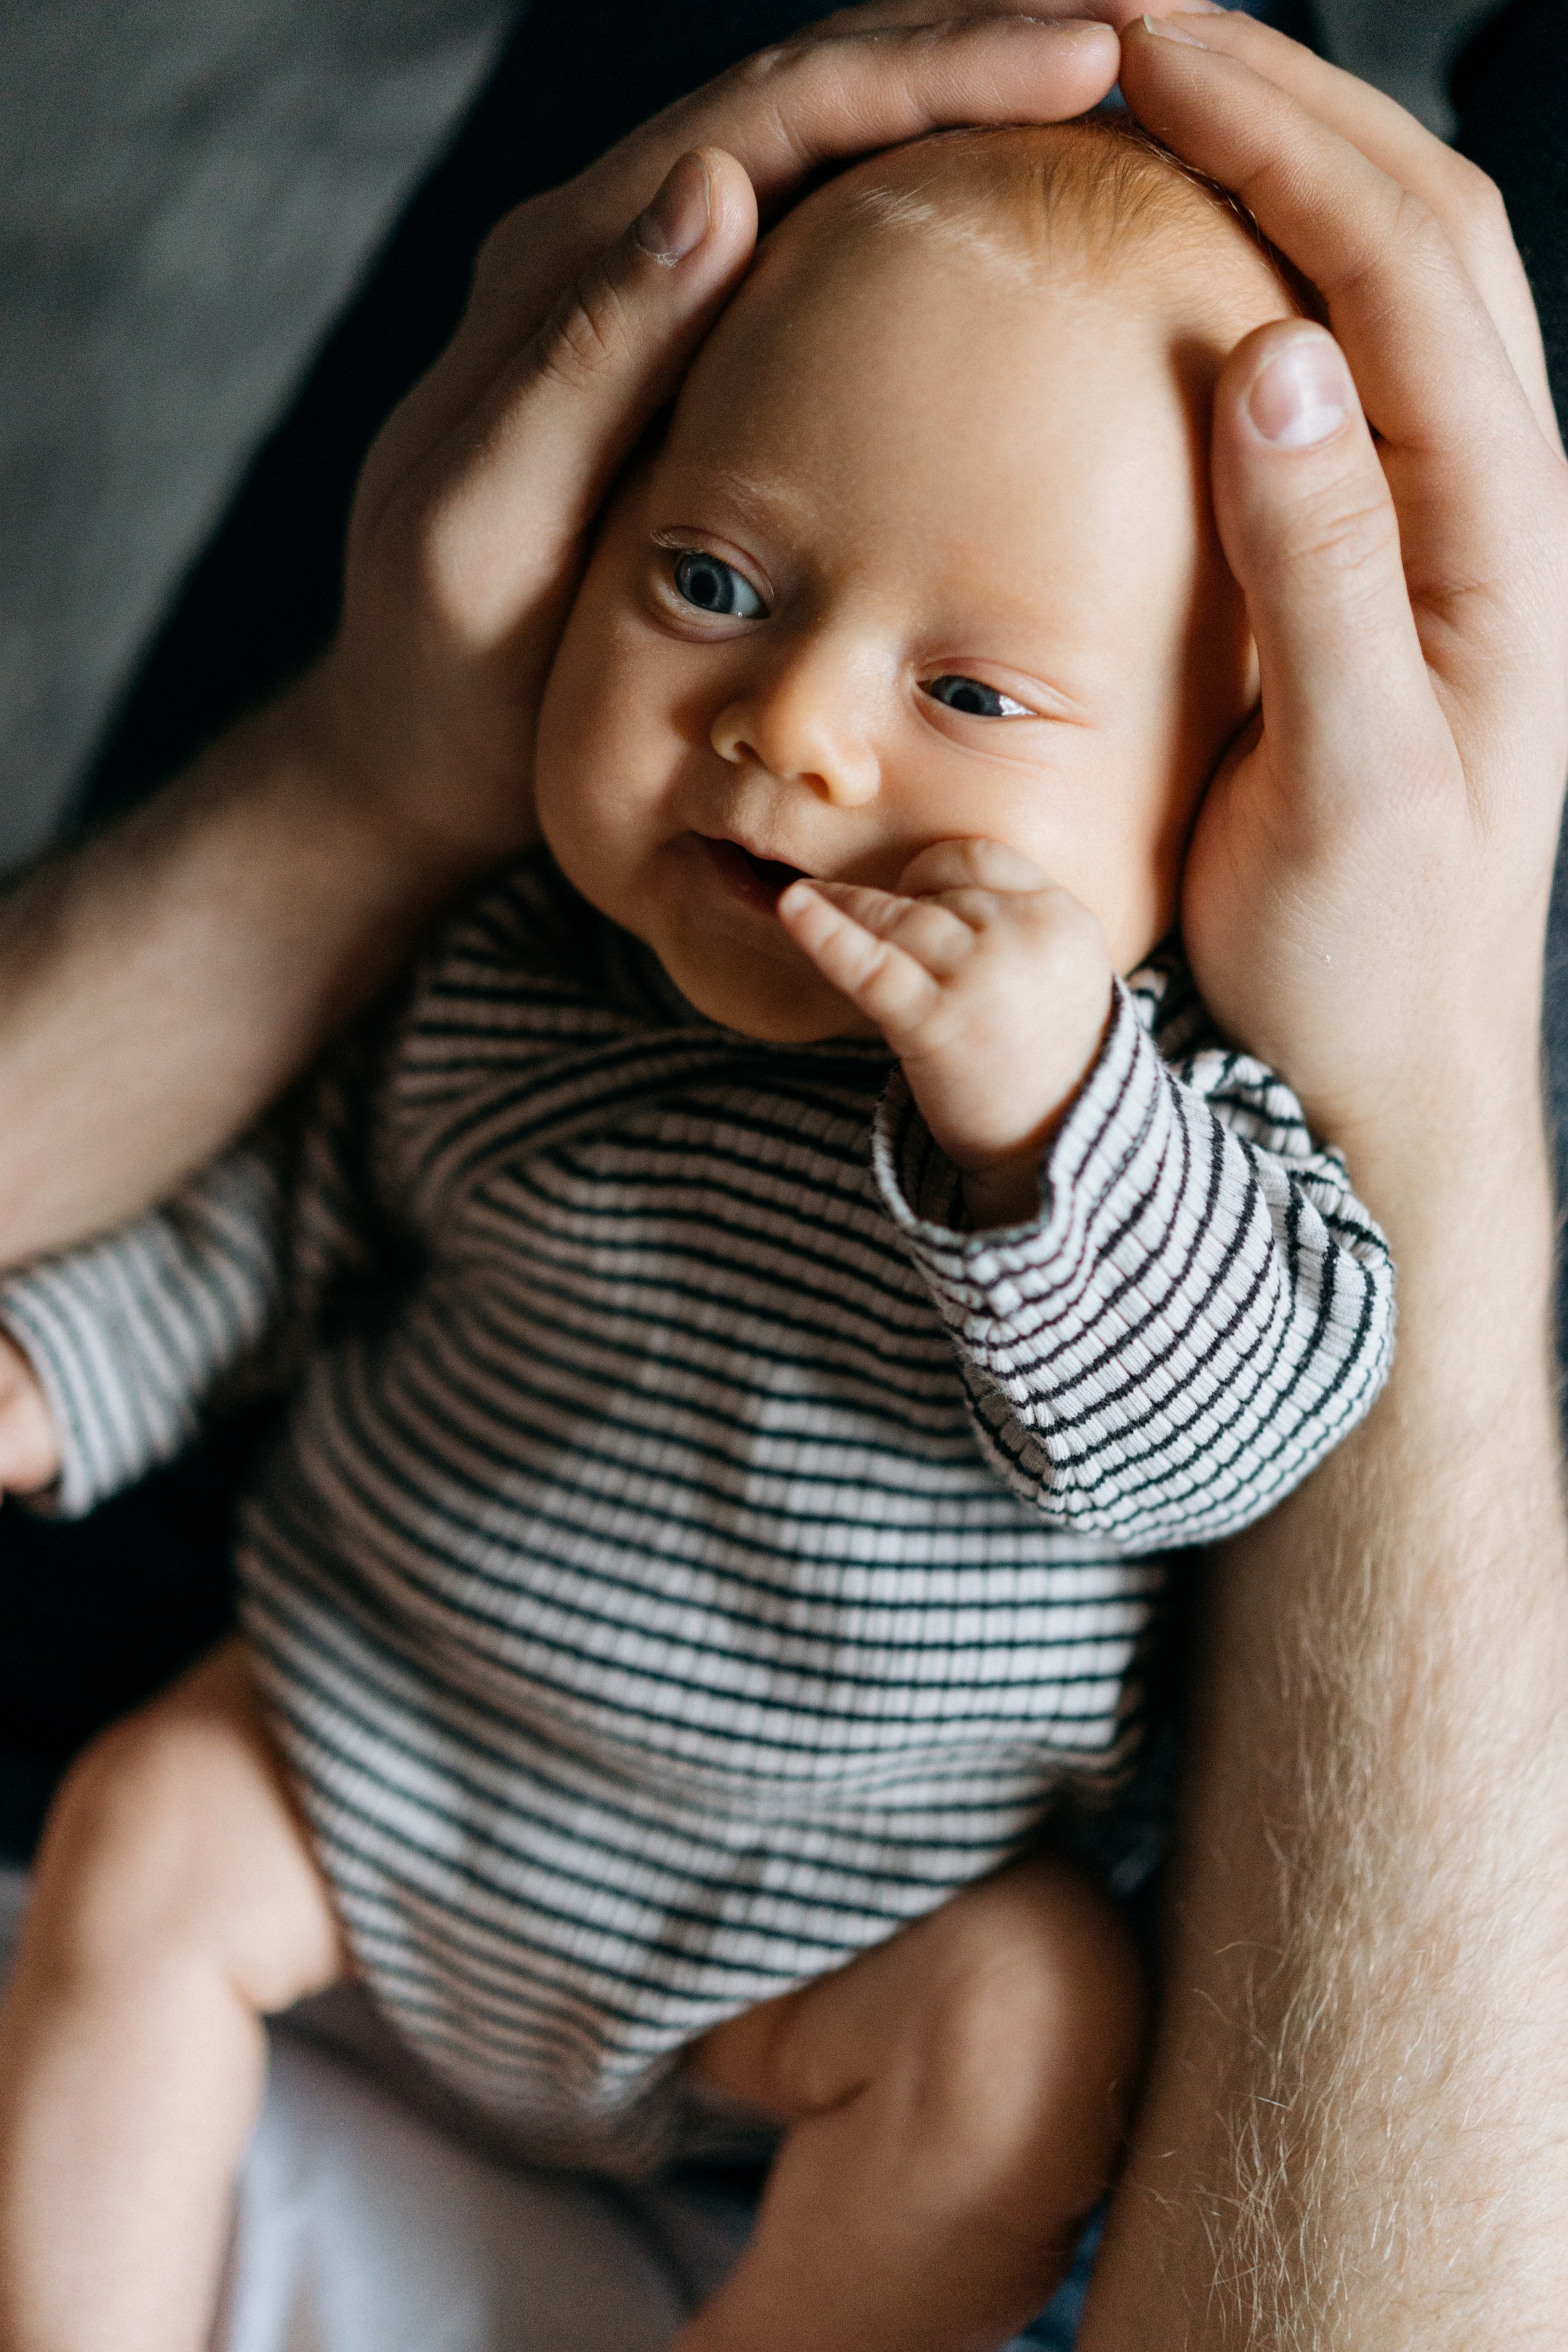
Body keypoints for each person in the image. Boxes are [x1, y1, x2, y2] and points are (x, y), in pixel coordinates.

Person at [0, 6, 1565, 2345]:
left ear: (1222, 788)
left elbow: (1252, 1422)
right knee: (141, 1835)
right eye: (717, 582)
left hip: (827, 1937)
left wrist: (1040, 1109)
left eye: (972, 696)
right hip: (366, 1748)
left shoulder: (1163, 1144)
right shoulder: (525, 984)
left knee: (1024, 2042)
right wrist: (45, 1364)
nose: (793, 729)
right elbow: (279, 1221)